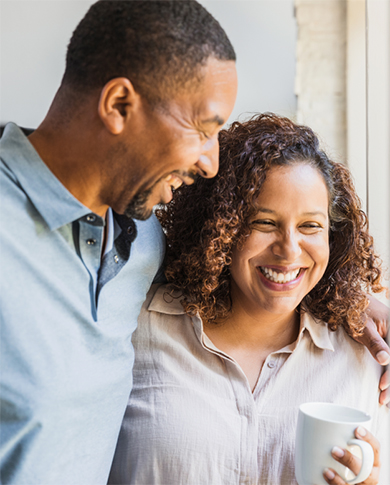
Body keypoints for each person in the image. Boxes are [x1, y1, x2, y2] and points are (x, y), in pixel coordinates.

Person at [0, 1, 237, 483]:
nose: (211, 162)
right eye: (203, 130)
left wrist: (349, 307)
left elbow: (252, 282)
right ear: (119, 106)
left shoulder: (144, 239)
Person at [109, 114, 389, 485]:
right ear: (221, 228)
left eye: (310, 226)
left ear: (333, 237)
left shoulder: (364, 358)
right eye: (264, 222)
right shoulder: (134, 329)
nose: (289, 251)